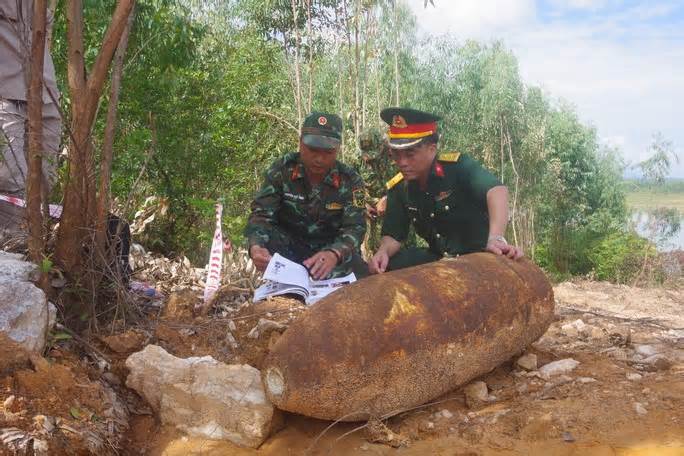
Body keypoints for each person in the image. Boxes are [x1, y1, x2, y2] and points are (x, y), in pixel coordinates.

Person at [369, 107, 523, 274]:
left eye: (410, 154)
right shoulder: (399, 186)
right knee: (390, 264)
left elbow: (497, 191)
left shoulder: (458, 167)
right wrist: (383, 251)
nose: (402, 162)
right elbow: (393, 236)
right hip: (440, 260)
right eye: (396, 154)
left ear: (432, 149)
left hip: (477, 256)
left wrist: (496, 238)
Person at [245, 111, 368, 280]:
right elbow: (261, 215)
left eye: (328, 152)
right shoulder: (281, 170)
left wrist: (335, 253)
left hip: (331, 254)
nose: (319, 159)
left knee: (362, 276)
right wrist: (256, 246)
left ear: (338, 148)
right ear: (300, 143)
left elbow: (356, 227)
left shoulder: (351, 180)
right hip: (289, 251)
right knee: (268, 238)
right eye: (312, 150)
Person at [0, 0, 62, 233]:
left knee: (45, 180)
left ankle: (33, 249)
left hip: (45, 96)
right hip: (6, 92)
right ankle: (12, 255)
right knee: (12, 182)